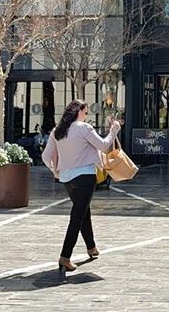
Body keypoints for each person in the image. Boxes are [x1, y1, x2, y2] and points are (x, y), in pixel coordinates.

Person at [42, 99, 121, 272]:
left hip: (67, 179)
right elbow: (103, 144)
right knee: (77, 216)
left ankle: (91, 247)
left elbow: (46, 156)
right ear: (79, 112)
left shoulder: (58, 130)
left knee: (83, 211)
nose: (86, 116)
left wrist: (55, 170)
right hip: (85, 176)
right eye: (86, 112)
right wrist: (114, 131)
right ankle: (65, 256)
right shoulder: (83, 128)